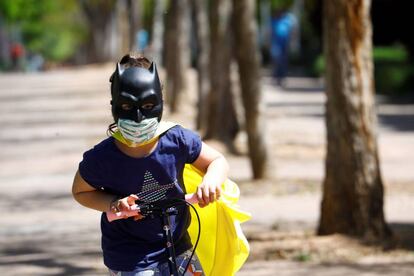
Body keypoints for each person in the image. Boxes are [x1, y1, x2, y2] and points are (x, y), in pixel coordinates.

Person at [72, 54, 228, 275]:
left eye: (147, 105)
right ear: (114, 106)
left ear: (160, 103)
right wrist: (115, 204)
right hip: (131, 257)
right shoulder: (103, 157)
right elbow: (80, 191)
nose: (138, 116)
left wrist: (211, 182)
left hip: (179, 247)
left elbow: (217, 161)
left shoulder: (177, 140)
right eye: (127, 106)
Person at [270, 9, 297, 86]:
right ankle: (276, 77)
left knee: (284, 62)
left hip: (285, 44)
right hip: (276, 44)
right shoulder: (274, 21)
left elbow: (293, 29)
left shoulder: (286, 21)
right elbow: (270, 32)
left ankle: (282, 77)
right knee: (276, 60)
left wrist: (293, 42)